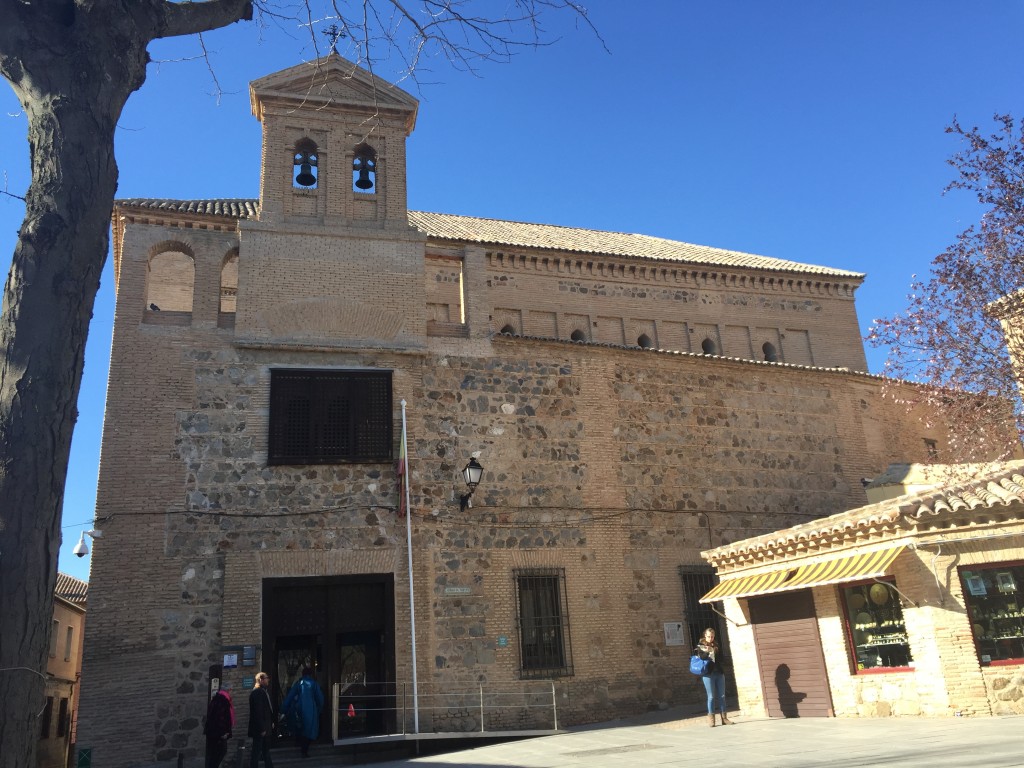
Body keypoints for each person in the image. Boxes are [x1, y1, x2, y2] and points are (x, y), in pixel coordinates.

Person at [281, 666, 325, 758]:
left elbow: (290, 697)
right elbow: (320, 699)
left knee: (300, 727)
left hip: (298, 709)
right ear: (311, 674)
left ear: (303, 674)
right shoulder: (314, 684)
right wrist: (319, 709)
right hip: (311, 710)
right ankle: (304, 751)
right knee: (310, 730)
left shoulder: (298, 683)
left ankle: (298, 743)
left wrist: (283, 709)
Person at [693, 627, 732, 727]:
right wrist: (709, 651)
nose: (710, 638)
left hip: (719, 673)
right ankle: (711, 720)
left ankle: (724, 718)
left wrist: (714, 651)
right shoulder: (701, 646)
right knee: (711, 697)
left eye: (712, 637)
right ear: (705, 636)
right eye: (709, 636)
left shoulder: (716, 645)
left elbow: (721, 657)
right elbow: (702, 657)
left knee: (722, 696)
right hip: (708, 674)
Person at [248, 672, 276, 768]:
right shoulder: (258, 692)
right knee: (257, 751)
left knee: (265, 750)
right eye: (266, 678)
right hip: (260, 729)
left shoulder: (262, 691)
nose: (268, 680)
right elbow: (258, 712)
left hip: (264, 727)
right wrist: (262, 728)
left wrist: (270, 722)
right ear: (261, 680)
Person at [204, 685, 235, 768]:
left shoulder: (217, 699)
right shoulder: (223, 700)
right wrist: (223, 732)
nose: (232, 692)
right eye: (231, 690)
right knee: (220, 752)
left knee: (215, 754)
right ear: (228, 690)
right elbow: (220, 718)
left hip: (213, 732)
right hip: (218, 733)